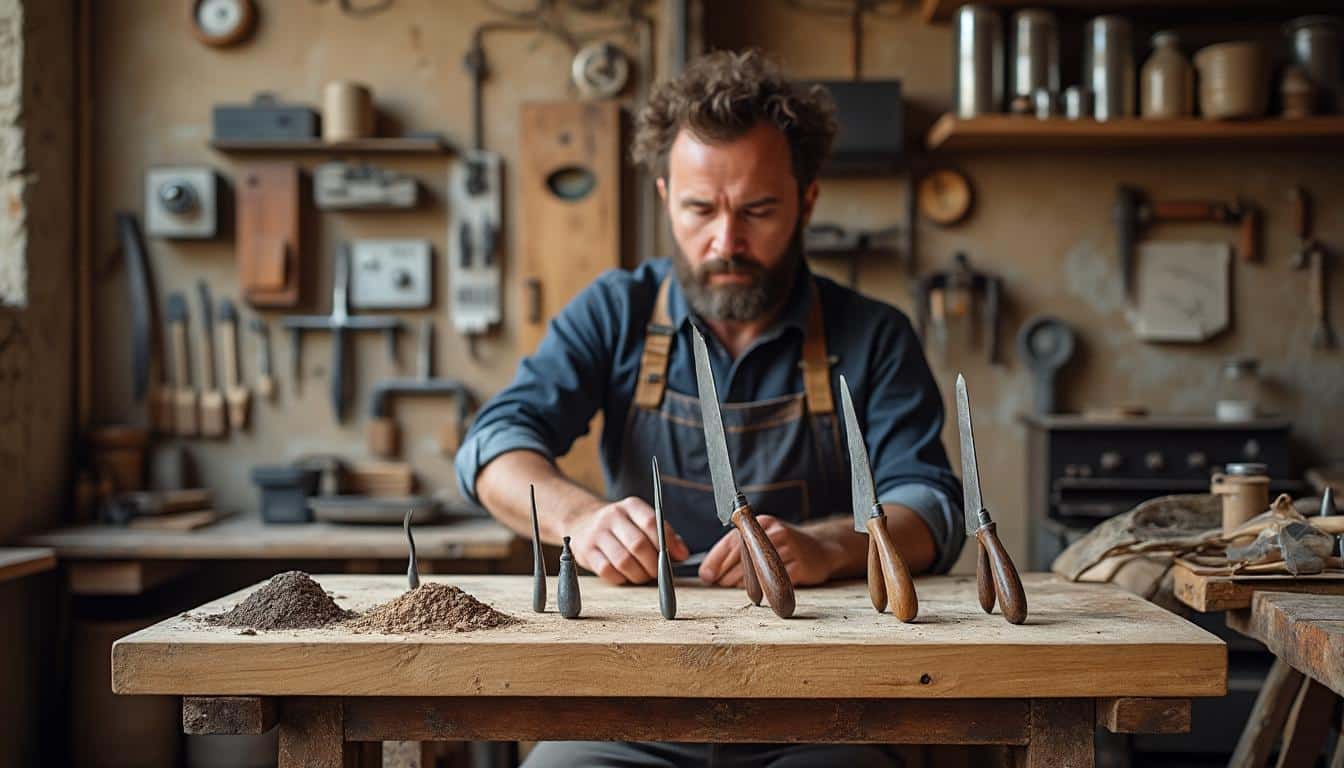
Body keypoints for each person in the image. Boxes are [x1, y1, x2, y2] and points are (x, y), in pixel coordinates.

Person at [455, 49, 963, 767]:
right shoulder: (616, 312)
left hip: (828, 700)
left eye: (758, 210)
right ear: (667, 197)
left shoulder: (872, 335)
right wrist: (582, 520)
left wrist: (832, 546)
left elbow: (932, 508)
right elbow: (492, 447)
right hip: (628, 696)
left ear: (807, 200)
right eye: (700, 209)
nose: (726, 242)